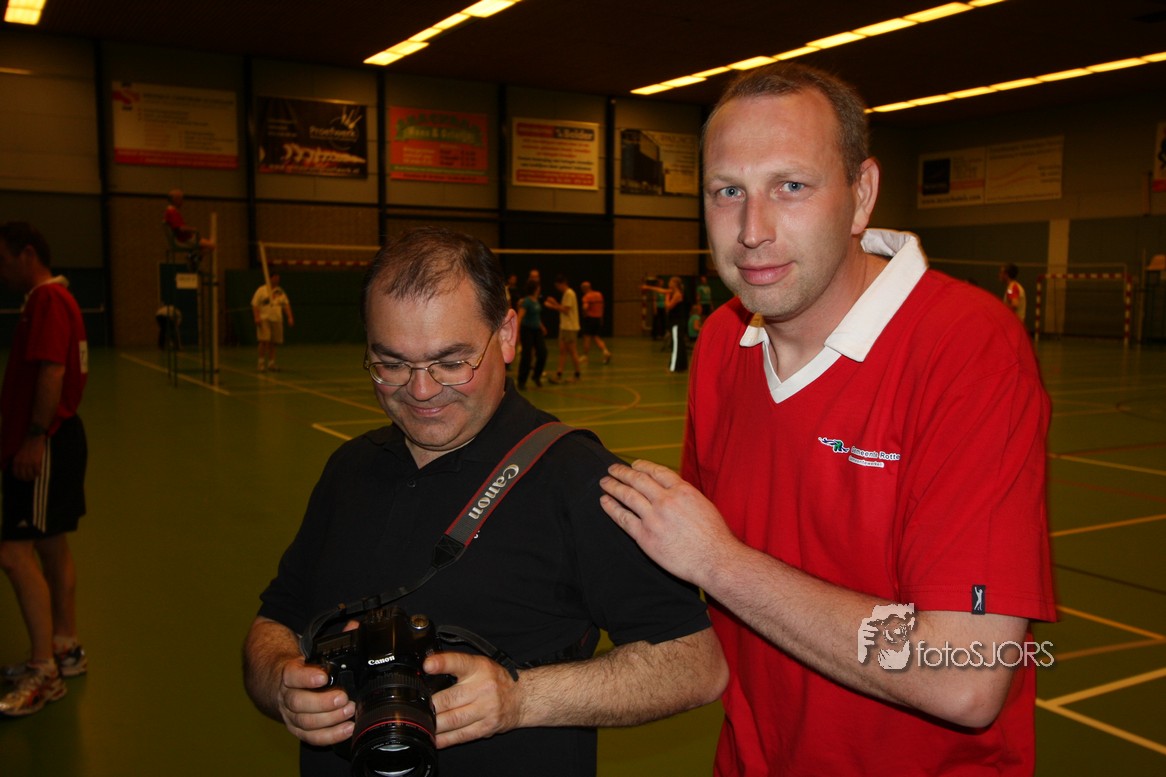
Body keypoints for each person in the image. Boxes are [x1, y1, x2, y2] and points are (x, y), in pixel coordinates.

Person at [600, 62, 1055, 775]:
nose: (752, 231)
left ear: (861, 194)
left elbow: (964, 673)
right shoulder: (724, 340)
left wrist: (719, 562)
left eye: (791, 186)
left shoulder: (966, 346)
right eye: (728, 192)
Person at [242, 226, 726, 777]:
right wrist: (280, 682)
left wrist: (522, 699)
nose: (421, 391)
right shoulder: (347, 467)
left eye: (452, 363)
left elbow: (695, 664)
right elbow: (276, 621)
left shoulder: (580, 479)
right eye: (391, 364)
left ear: (508, 335)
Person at [0, 222, 90, 717]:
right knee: (52, 544)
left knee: (14, 552)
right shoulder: (52, 299)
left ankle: (44, 671)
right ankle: (65, 647)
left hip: (46, 440)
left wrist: (34, 437)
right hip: (55, 438)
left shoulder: (48, 301)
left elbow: (53, 370)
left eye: (2, 259)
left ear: (27, 254)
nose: (0, 270)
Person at [641, 276, 687, 372]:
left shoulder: (677, 294)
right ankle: (681, 366)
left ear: (675, 284)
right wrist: (648, 287)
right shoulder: (672, 292)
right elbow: (660, 290)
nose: (669, 282)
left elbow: (668, 306)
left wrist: (666, 297)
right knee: (678, 344)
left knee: (676, 345)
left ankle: (673, 367)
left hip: (677, 323)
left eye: (670, 281)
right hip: (675, 322)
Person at [251, 273, 294, 372]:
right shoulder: (261, 290)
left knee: (273, 342)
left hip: (277, 319)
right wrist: (257, 317)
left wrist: (290, 317)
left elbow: (286, 305)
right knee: (263, 340)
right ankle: (261, 363)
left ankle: (271, 363)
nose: (277, 280)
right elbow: (255, 304)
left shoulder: (280, 291)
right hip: (264, 319)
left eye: (278, 278)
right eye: (275, 278)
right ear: (270, 278)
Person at [543, 274, 581, 384]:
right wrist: (555, 303)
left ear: (562, 283)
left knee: (572, 351)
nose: (557, 288)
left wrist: (552, 306)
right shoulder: (566, 294)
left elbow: (566, 310)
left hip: (570, 327)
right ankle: (559, 374)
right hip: (564, 326)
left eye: (558, 286)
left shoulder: (569, 293)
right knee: (562, 351)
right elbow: (564, 307)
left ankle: (577, 374)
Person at [515, 278, 548, 389]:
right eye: (538, 287)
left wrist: (542, 326)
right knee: (527, 355)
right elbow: (520, 317)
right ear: (535, 288)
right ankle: (521, 381)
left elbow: (536, 316)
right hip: (527, 330)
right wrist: (517, 332)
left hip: (536, 330)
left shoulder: (536, 300)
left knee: (543, 353)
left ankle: (536, 376)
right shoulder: (527, 301)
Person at [163, 188, 216, 257]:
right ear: (175, 200)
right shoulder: (172, 212)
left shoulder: (170, 212)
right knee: (212, 246)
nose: (182, 201)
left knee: (205, 245)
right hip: (185, 240)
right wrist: (192, 229)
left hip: (185, 239)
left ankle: (194, 256)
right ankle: (192, 256)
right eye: (181, 199)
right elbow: (180, 228)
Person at [579, 281, 611, 364]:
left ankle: (585, 356)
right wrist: (601, 317)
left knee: (587, 337)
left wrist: (584, 314)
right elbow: (602, 307)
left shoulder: (586, 297)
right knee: (596, 336)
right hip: (598, 318)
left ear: (583, 289)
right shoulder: (599, 294)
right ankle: (605, 351)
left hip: (590, 319)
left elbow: (585, 307)